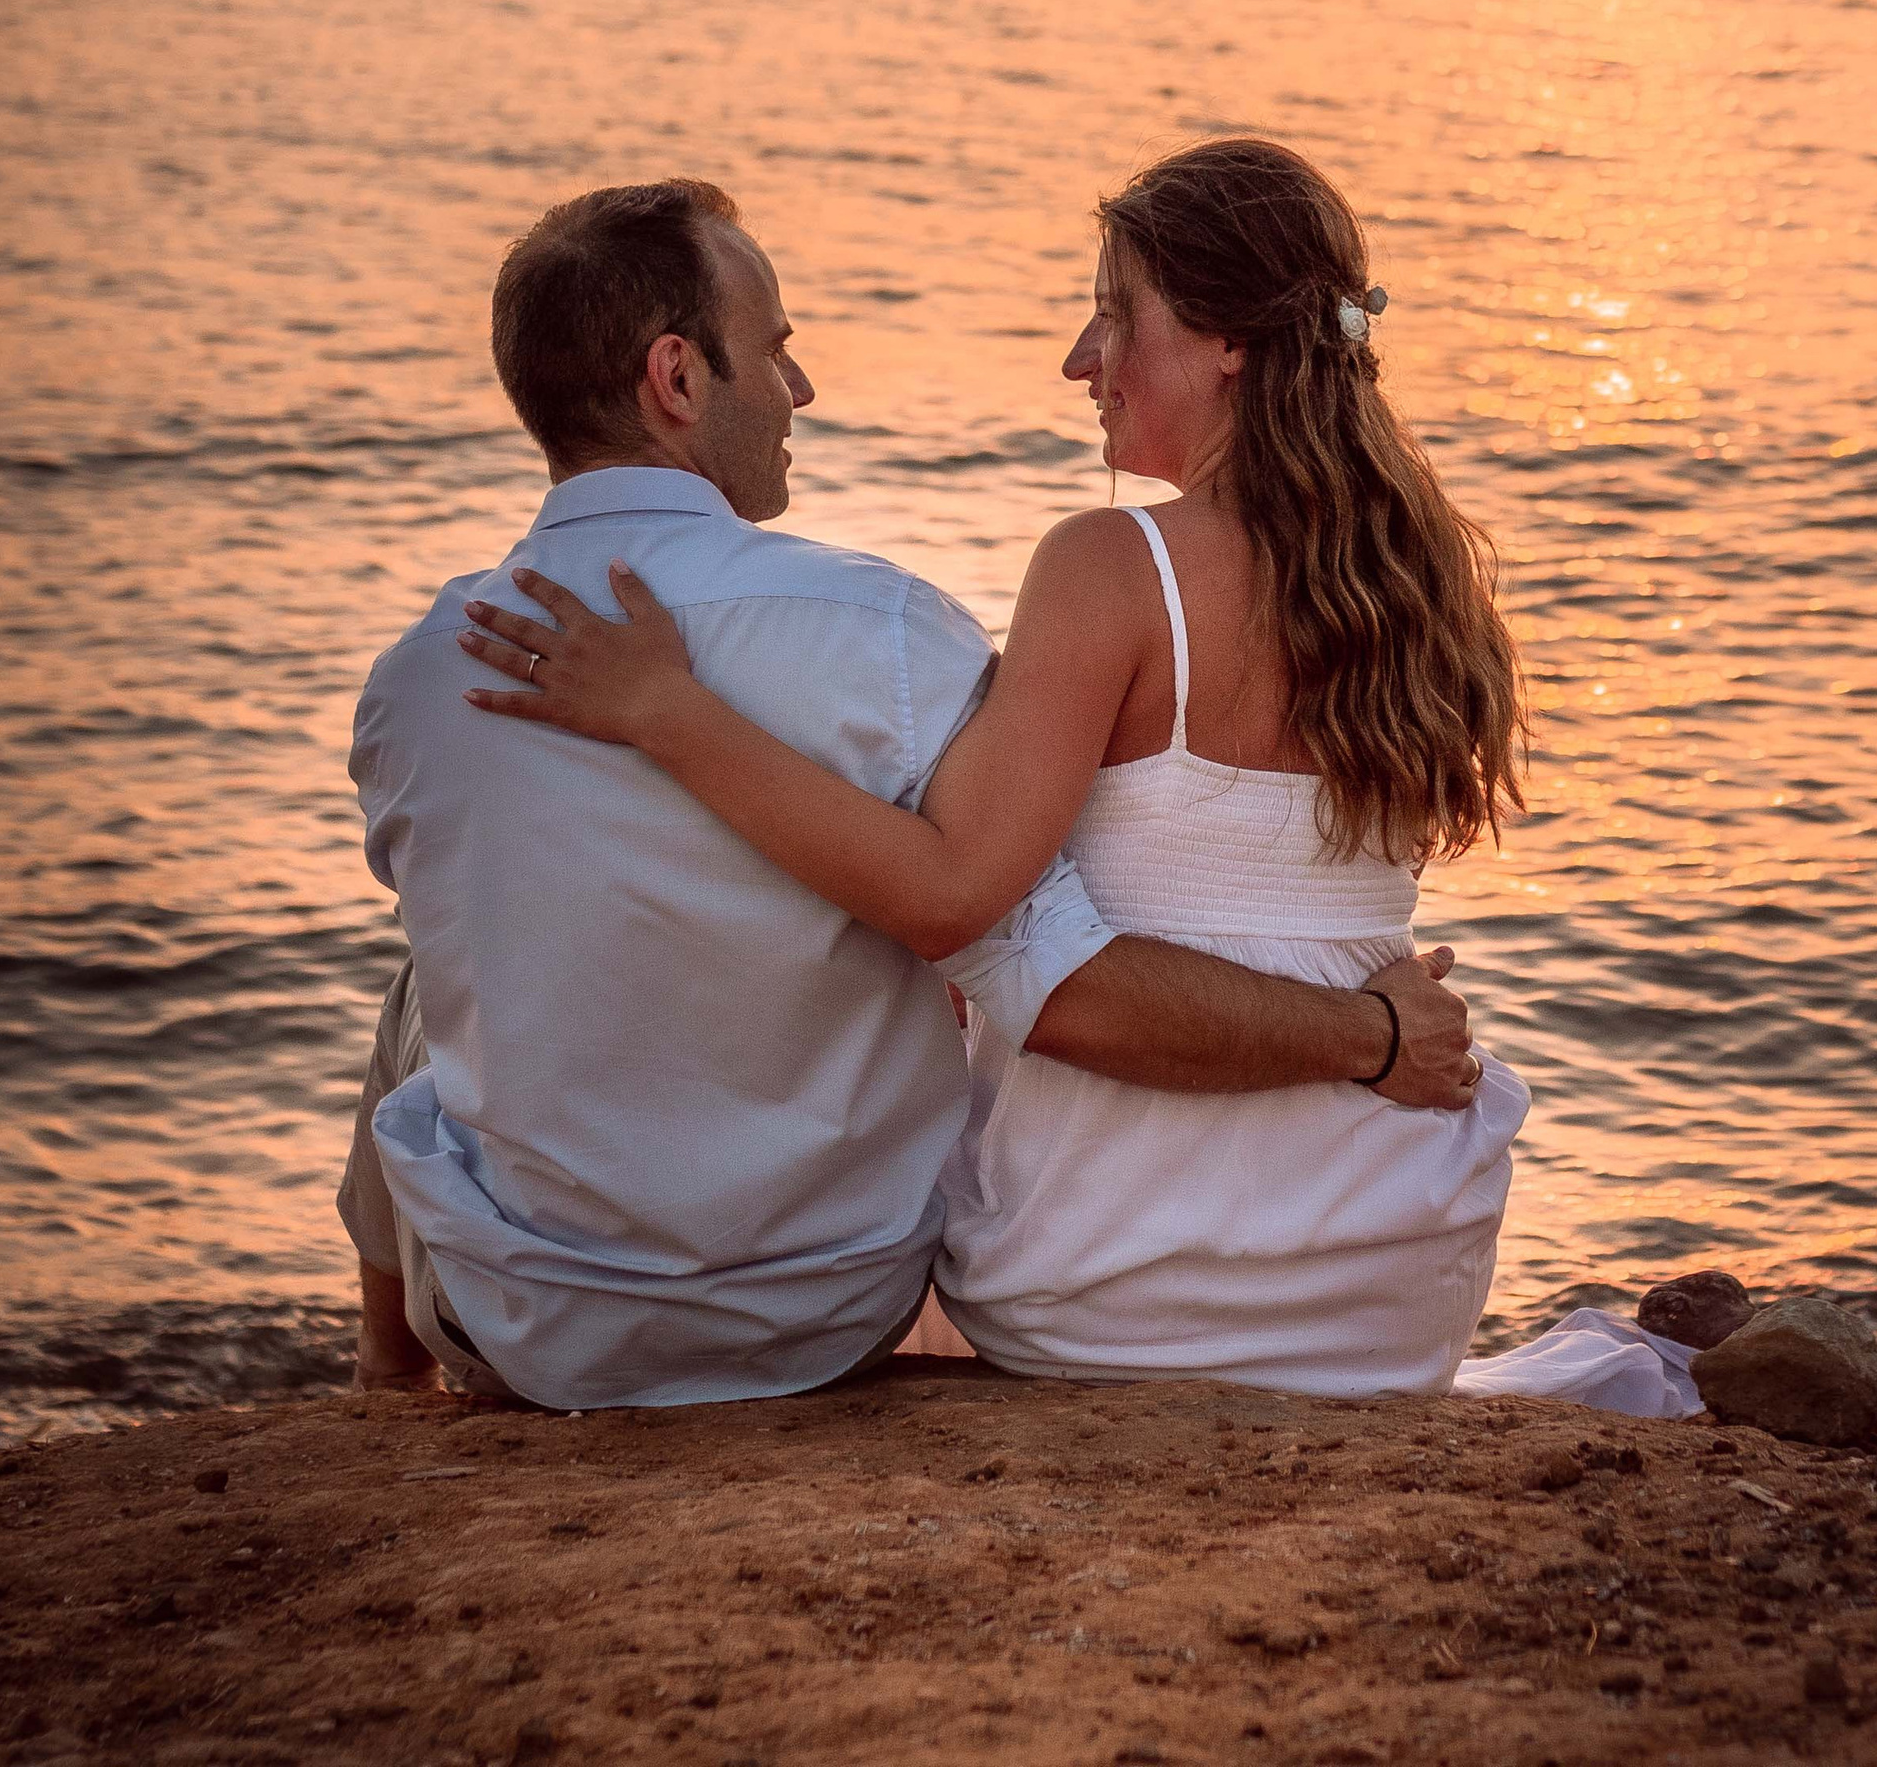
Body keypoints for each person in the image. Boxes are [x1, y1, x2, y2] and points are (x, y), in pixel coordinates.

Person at [340, 175, 1480, 1415]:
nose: (1079, 358)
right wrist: (1370, 1037)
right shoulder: (1409, 582)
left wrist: (670, 716)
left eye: (1114, 315)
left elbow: (954, 897)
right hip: (1370, 1244)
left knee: (424, 991)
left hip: (533, 1329)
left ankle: (381, 1375)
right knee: (939, 957)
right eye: (777, 351)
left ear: (1230, 349)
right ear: (676, 380)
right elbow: (990, 925)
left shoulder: (411, 683)